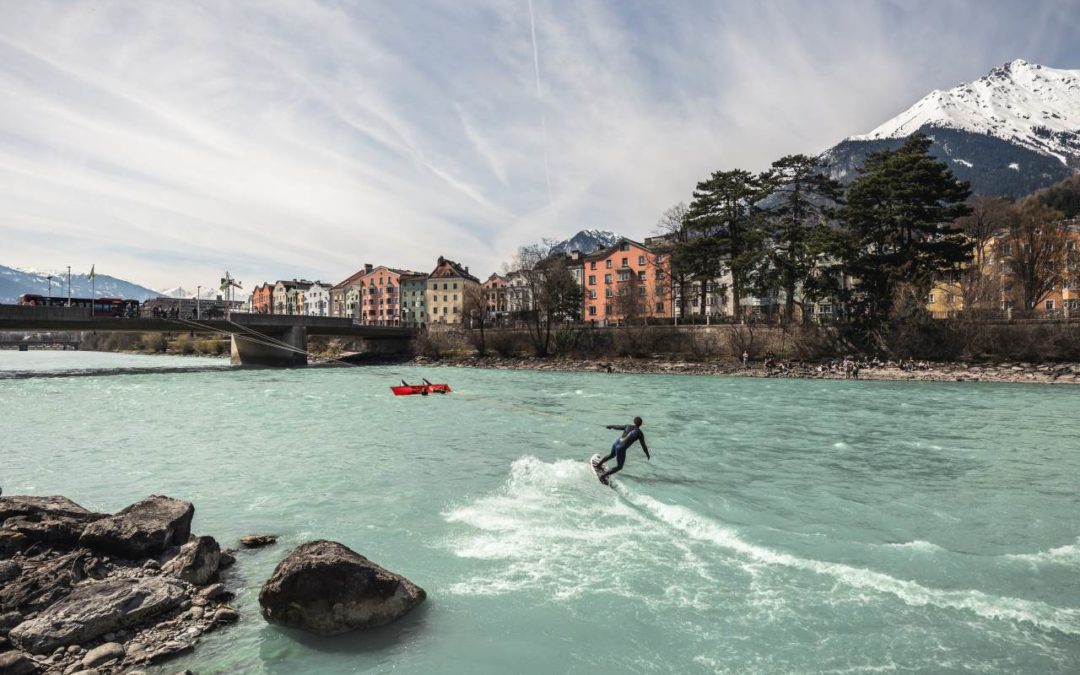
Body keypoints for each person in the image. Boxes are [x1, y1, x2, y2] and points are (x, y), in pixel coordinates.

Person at [594, 416, 650, 482]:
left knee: (611, 455)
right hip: (621, 448)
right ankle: (603, 476)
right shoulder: (640, 433)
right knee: (619, 467)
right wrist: (647, 454)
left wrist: (610, 426)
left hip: (616, 443)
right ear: (641, 424)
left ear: (633, 421)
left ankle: (598, 465)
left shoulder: (628, 426)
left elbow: (618, 427)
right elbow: (643, 445)